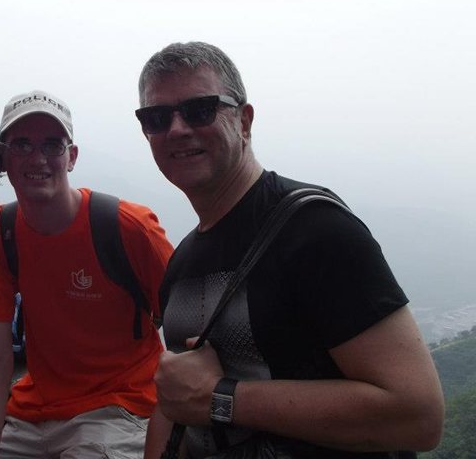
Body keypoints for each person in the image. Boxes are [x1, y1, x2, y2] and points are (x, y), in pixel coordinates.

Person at [135, 42, 445, 458]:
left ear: (244, 121)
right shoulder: (181, 264)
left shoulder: (316, 230)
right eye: (156, 118)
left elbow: (418, 416)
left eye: (199, 109)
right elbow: (177, 404)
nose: (176, 129)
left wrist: (224, 399)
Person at [0, 90, 174, 459]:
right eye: (22, 144)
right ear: (4, 158)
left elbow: (188, 328)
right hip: (33, 411)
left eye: (52, 145)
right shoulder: (0, 228)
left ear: (71, 157)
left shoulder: (127, 227)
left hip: (118, 407)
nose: (37, 157)